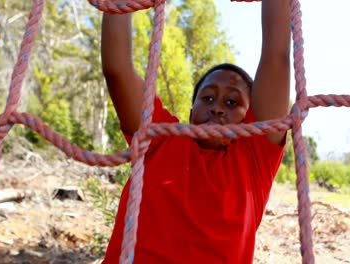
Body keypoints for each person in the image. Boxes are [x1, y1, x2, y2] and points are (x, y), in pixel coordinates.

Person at [101, 0, 290, 263]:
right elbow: (117, 70)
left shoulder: (253, 160)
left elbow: (276, 57)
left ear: (250, 120)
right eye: (208, 98)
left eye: (232, 102)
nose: (217, 109)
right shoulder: (160, 139)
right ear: (191, 113)